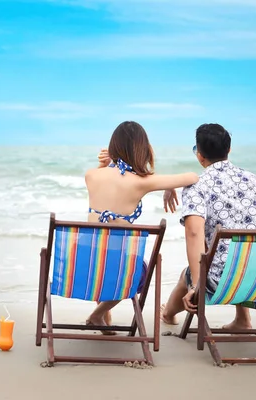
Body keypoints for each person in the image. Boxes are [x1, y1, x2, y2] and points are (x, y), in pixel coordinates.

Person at [85, 121, 199, 333]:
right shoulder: (141, 181)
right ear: (142, 148)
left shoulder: (91, 175)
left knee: (105, 255)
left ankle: (101, 315)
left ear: (113, 148)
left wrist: (109, 162)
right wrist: (170, 186)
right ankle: (97, 315)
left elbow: (110, 178)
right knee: (140, 272)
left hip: (85, 262)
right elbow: (192, 177)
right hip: (119, 269)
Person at [160, 123, 256, 330]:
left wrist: (195, 286)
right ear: (228, 150)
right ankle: (243, 320)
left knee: (189, 274)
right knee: (237, 251)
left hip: (222, 281)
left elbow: (193, 232)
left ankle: (167, 313)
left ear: (199, 155)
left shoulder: (197, 185)